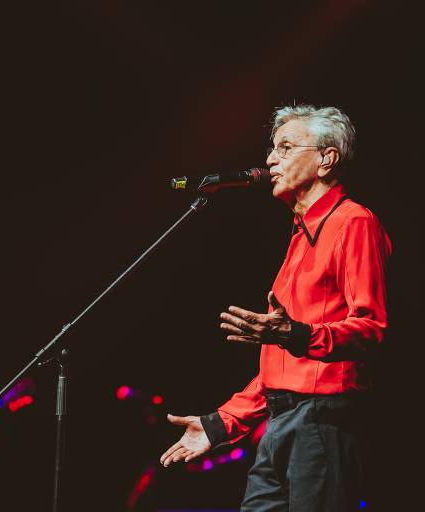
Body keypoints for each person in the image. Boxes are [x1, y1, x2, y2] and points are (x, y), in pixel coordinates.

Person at [160, 104, 391, 511]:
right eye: (272, 149)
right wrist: (221, 424)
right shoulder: (300, 235)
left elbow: (370, 327)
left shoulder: (353, 222)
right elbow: (280, 364)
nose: (269, 160)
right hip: (280, 421)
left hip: (323, 421)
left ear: (326, 159)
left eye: (284, 148)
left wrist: (293, 333)